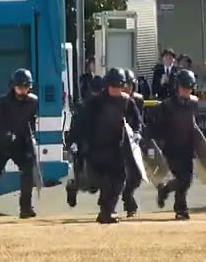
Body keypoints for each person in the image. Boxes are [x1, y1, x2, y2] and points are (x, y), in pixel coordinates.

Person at [73, 68, 139, 224]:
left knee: (118, 180)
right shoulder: (95, 102)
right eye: (113, 86)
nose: (116, 89)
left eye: (119, 86)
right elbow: (81, 124)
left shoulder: (127, 102)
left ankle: (106, 212)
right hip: (96, 149)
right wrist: (76, 142)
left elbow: (137, 122)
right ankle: (74, 185)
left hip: (116, 148)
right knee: (93, 184)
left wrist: (137, 133)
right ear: (107, 85)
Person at [0, 69, 40, 219]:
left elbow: (31, 122)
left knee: (28, 169)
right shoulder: (2, 102)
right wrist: (4, 133)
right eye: (20, 87)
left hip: (20, 144)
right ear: (13, 87)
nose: (22, 90)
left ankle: (25, 207)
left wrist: (31, 138)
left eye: (26, 87)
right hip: (2, 143)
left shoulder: (33, 101)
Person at [151, 70, 198, 220]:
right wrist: (159, 144)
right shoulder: (167, 105)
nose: (186, 90)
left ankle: (165, 190)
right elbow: (158, 127)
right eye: (184, 86)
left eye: (189, 87)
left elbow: (194, 125)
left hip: (187, 148)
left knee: (187, 180)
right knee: (181, 179)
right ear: (177, 86)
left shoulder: (193, 103)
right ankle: (181, 209)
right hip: (172, 148)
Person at [121, 68, 146, 218]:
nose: (127, 88)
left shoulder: (138, 100)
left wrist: (138, 133)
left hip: (133, 141)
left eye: (130, 85)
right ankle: (109, 206)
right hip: (116, 141)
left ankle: (127, 195)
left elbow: (140, 120)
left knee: (137, 175)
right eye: (124, 85)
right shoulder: (114, 99)